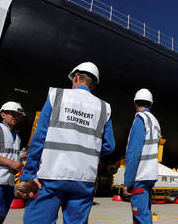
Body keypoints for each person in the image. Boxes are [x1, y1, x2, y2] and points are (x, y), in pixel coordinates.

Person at [19, 62, 115, 224]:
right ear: (94, 85)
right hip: (84, 179)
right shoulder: (104, 108)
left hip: (51, 174)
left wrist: (29, 173)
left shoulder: (57, 96)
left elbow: (39, 138)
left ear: (76, 77)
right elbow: (109, 146)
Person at [123, 88, 161, 224]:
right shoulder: (155, 122)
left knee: (140, 216)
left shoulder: (140, 120)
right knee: (145, 213)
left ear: (135, 103)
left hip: (140, 175)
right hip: (150, 175)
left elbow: (134, 152)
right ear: (150, 105)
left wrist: (128, 181)